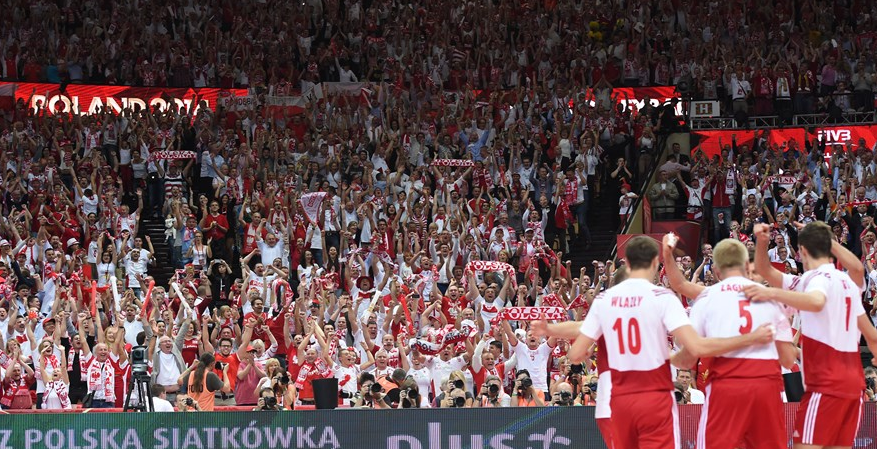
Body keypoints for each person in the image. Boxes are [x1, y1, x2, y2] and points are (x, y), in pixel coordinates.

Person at [540, 236, 773, 449]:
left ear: (627, 264)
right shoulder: (663, 298)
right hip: (655, 396)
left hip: (619, 399)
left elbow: (577, 354)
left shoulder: (604, 300)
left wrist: (553, 329)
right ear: (655, 263)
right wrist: (750, 338)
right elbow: (696, 347)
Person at [746, 222, 877, 449]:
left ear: (802, 251)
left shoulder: (812, 279)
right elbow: (871, 334)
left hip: (826, 384)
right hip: (853, 386)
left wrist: (770, 291)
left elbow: (816, 301)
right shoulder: (847, 282)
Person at [667, 236, 798, 449]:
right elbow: (788, 357)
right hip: (765, 386)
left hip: (727, 385)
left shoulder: (707, 297)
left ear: (717, 269)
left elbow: (690, 354)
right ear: (746, 266)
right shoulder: (768, 297)